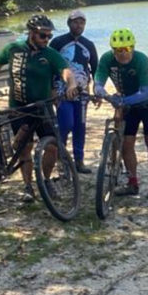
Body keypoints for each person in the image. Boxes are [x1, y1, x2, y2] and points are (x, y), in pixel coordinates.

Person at [0, 14, 78, 202]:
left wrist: (71, 85)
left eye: (49, 36)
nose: (47, 40)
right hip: (19, 107)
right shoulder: (13, 48)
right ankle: (27, 186)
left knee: (53, 148)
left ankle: (46, 181)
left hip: (43, 107)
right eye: (43, 36)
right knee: (25, 148)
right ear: (31, 33)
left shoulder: (50, 54)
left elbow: (66, 71)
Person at [94, 28, 148, 198]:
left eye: (127, 49)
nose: (123, 53)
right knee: (126, 143)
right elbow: (98, 82)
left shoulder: (141, 60)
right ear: (112, 49)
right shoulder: (106, 59)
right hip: (127, 102)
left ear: (132, 47)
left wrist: (122, 101)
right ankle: (133, 182)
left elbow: (145, 92)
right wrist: (104, 94)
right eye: (118, 50)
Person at [50, 10, 98, 174]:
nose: (78, 25)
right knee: (65, 124)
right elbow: (49, 67)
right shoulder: (57, 42)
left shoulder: (89, 45)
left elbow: (96, 70)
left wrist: (96, 91)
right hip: (62, 92)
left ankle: (79, 160)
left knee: (80, 126)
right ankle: (61, 159)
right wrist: (53, 90)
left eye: (82, 22)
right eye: (75, 22)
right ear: (69, 23)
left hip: (82, 93)